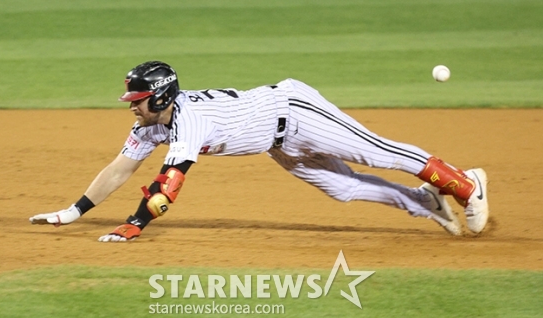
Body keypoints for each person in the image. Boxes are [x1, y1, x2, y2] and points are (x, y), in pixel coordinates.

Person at [29, 61, 489, 241]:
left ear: (162, 98)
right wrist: (74, 212)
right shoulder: (151, 126)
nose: (132, 107)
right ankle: (426, 201)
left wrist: (135, 224)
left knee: (377, 153)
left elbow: (169, 185)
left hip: (296, 110)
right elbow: (119, 168)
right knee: (344, 189)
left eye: (138, 100)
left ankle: (467, 185)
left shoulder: (186, 122)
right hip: (279, 143)